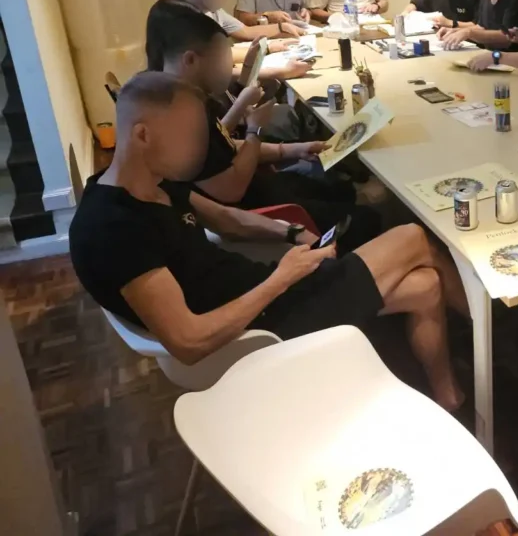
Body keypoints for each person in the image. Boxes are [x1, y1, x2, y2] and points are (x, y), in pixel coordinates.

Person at [69, 71, 466, 409]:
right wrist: (281, 279)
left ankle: (450, 398)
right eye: (190, 135)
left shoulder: (151, 182)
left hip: (263, 293)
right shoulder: (113, 229)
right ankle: (488, 321)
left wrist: (290, 232)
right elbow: (190, 342)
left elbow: (228, 220)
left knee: (426, 285)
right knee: (413, 236)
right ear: (143, 135)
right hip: (255, 330)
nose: (201, 146)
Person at [146, 0, 381, 249]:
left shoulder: (191, 98)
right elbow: (230, 190)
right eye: (223, 57)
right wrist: (254, 130)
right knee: (365, 219)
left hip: (262, 187)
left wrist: (291, 149)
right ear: (191, 60)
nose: (228, 66)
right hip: (260, 213)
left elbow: (225, 144)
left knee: (339, 190)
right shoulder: (178, 116)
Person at [173, 0, 310, 81]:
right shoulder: (176, 18)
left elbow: (245, 31)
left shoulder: (213, 11)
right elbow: (215, 61)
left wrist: (281, 27)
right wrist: (278, 70)